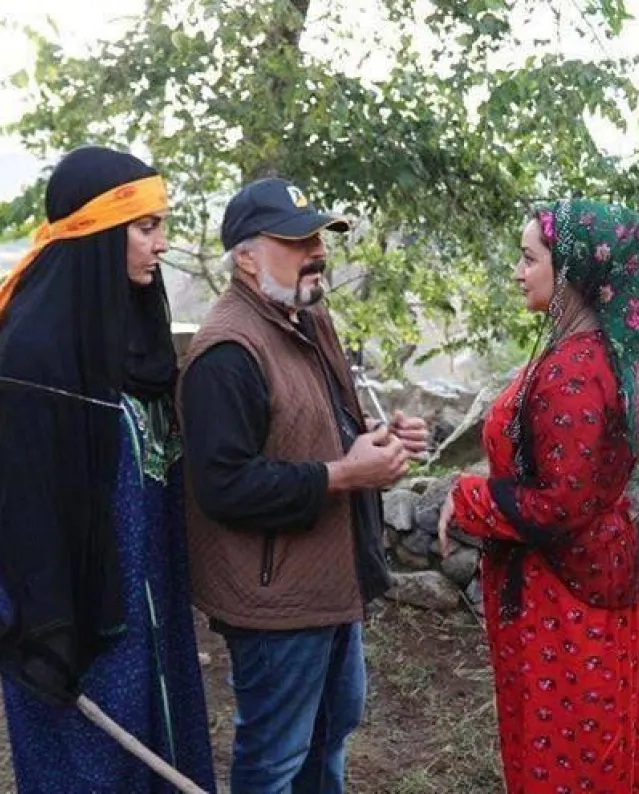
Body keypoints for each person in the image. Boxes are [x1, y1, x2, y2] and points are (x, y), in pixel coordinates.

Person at [0, 146, 216, 793]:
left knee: (157, 739)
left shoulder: (134, 328)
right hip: (76, 599)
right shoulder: (38, 346)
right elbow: (24, 501)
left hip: (148, 585)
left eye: (161, 225)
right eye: (145, 227)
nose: (161, 244)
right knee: (92, 764)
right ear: (97, 232)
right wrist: (50, 627)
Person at [176, 177, 429, 794]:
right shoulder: (226, 354)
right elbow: (223, 487)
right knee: (275, 761)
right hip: (276, 601)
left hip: (329, 580)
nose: (316, 250)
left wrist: (377, 438)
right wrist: (346, 474)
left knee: (330, 735)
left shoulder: (307, 317)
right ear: (246, 258)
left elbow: (312, 428)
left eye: (318, 236)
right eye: (296, 240)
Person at [438, 199, 639, 793]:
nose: (518, 273)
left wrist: (467, 498)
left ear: (570, 271)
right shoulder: (606, 356)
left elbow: (559, 504)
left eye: (528, 258)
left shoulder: (575, 372)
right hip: (593, 577)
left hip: (562, 600)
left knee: (564, 756)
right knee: (595, 749)